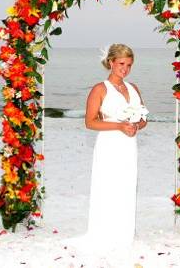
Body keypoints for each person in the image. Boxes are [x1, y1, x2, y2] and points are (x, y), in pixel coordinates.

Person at [72, 43, 147, 253]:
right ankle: (104, 232)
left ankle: (124, 232)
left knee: (126, 185)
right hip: (109, 144)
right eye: (122, 63)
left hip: (129, 145)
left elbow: (143, 118)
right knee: (107, 185)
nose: (125, 68)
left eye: (129, 65)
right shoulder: (100, 89)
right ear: (111, 62)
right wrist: (119, 126)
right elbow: (89, 122)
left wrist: (136, 126)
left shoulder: (134, 88)